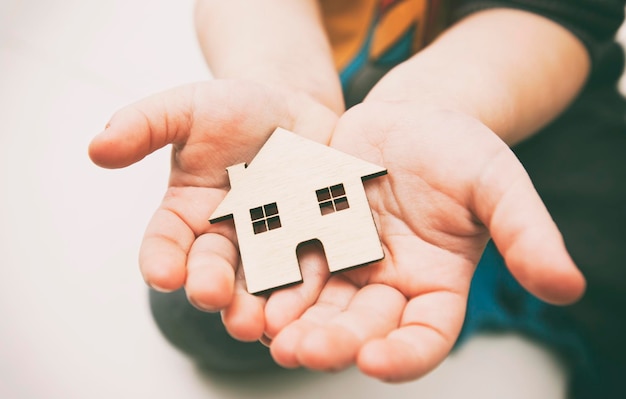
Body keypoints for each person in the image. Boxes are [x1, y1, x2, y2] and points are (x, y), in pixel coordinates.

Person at [88, 1, 626, 397]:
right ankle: (445, 256)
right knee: (200, 302)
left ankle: (477, 257)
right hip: (322, 93)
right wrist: (277, 81)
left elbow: (561, 15)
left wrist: (439, 104)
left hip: (527, 91)